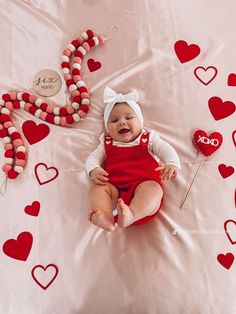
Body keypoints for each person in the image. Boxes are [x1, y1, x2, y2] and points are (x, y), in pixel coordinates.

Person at [85, 86, 181, 232]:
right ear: (107, 127)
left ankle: (132, 214)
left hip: (143, 194)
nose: (122, 122)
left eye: (129, 117)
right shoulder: (107, 144)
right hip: (115, 194)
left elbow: (166, 149)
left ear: (140, 122)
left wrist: (172, 164)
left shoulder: (148, 139)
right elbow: (93, 158)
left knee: (154, 189)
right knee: (98, 188)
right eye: (114, 120)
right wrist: (94, 170)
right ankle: (106, 217)